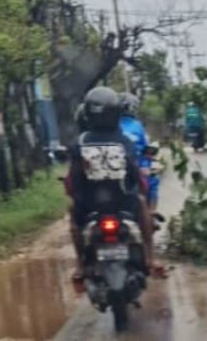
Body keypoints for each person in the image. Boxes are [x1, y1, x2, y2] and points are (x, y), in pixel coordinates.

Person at [65, 86, 156, 280]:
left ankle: (80, 265)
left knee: (73, 216)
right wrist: (143, 187)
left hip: (89, 205)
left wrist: (74, 194)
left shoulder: (81, 142)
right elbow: (136, 174)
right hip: (124, 202)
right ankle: (150, 257)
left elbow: (73, 180)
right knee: (142, 204)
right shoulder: (123, 141)